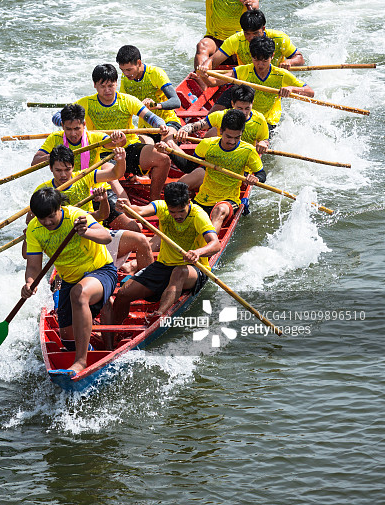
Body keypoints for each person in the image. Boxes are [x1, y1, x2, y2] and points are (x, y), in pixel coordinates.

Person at [22, 187, 115, 376]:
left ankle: (81, 361)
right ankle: (88, 344)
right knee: (67, 339)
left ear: (59, 208)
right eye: (42, 219)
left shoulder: (76, 216)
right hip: (70, 280)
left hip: (101, 271)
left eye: (51, 217)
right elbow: (33, 267)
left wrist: (86, 232)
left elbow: (106, 237)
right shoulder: (34, 229)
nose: (47, 222)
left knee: (79, 294)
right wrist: (30, 283)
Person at [53, 63, 171, 200]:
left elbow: (150, 117)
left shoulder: (127, 100)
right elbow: (58, 116)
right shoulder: (86, 103)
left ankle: (154, 201)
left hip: (128, 147)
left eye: (111, 86)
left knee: (164, 159)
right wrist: (63, 122)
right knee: (111, 175)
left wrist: (161, 124)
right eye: (102, 86)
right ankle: (125, 206)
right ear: (94, 85)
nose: (107, 90)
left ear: (116, 83)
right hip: (103, 153)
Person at [110, 182, 221, 325]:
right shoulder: (161, 206)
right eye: (172, 212)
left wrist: (197, 252)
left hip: (193, 268)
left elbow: (215, 244)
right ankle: (113, 335)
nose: (177, 216)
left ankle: (159, 314)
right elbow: (140, 211)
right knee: (123, 294)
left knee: (179, 272)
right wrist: (126, 208)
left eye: (181, 211)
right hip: (164, 265)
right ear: (167, 204)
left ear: (188, 202)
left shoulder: (198, 215)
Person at [177, 109, 266, 234]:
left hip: (228, 201)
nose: (232, 142)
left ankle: (209, 246)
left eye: (237, 137)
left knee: (219, 210)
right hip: (203, 199)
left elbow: (261, 174)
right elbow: (188, 167)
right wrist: (171, 150)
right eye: (228, 137)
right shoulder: (207, 144)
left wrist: (256, 179)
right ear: (221, 131)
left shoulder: (248, 150)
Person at [200, 36, 314, 126]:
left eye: (264, 60)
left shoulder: (281, 74)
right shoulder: (243, 70)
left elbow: (310, 92)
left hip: (267, 121)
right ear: (251, 56)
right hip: (244, 116)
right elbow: (212, 82)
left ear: (272, 56)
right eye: (256, 60)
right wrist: (203, 75)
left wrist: (291, 89)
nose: (260, 65)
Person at [207, 10, 305, 110]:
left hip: (271, 86)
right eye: (247, 33)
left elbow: (300, 59)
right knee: (217, 109)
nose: (251, 38)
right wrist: (203, 70)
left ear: (263, 29)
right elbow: (213, 61)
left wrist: (289, 61)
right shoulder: (236, 40)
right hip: (244, 84)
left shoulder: (280, 38)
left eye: (255, 33)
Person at [176, 85, 270, 154]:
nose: (244, 113)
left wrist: (263, 143)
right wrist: (185, 129)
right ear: (232, 104)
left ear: (252, 104)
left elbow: (265, 140)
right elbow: (196, 125)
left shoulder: (259, 120)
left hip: (243, 160)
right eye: (240, 108)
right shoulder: (221, 115)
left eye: (247, 108)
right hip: (221, 156)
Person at [31, 103, 126, 170]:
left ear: (84, 124)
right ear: (62, 125)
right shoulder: (55, 137)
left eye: (77, 129)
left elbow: (118, 144)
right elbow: (35, 162)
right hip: (66, 183)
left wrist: (120, 137)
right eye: (68, 129)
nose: (73, 134)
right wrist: (53, 156)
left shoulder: (94, 137)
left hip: (94, 183)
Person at [116, 44, 182, 139]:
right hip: (145, 129)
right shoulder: (125, 79)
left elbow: (176, 101)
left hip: (168, 122)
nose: (126, 74)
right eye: (122, 70)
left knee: (168, 144)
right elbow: (123, 107)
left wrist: (155, 105)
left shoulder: (155, 73)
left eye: (129, 70)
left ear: (138, 63)